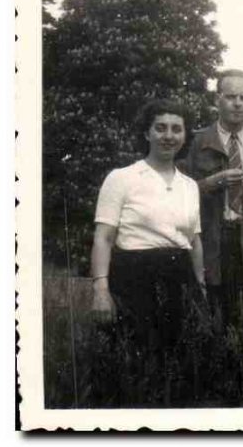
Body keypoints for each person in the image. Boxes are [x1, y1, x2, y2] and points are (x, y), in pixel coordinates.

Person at [90, 98, 205, 404]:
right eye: (161, 128)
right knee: (135, 364)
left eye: (176, 129)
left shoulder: (189, 186)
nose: (169, 135)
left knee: (180, 365)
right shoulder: (122, 178)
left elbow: (194, 240)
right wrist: (101, 288)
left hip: (180, 278)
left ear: (185, 135)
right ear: (146, 133)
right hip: (134, 277)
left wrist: (200, 287)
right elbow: (103, 237)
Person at [181, 69, 243, 396]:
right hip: (210, 245)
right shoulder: (196, 144)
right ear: (217, 99)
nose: (238, 104)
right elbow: (175, 196)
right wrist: (208, 185)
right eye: (231, 97)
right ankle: (207, 396)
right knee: (210, 324)